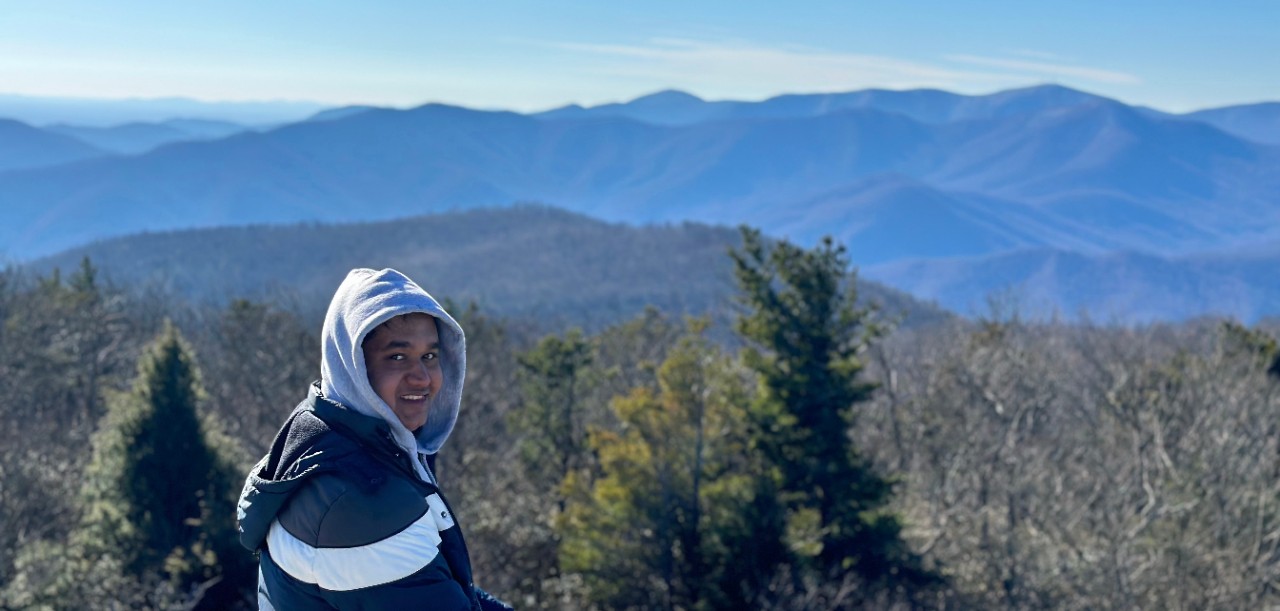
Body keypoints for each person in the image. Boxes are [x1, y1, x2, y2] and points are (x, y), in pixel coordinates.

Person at [237, 268, 512, 610]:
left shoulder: (328, 435)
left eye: (430, 356)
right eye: (397, 357)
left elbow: (433, 581)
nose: (422, 378)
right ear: (352, 366)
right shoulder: (360, 500)